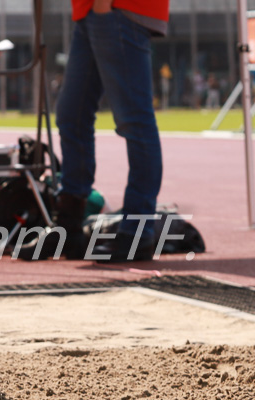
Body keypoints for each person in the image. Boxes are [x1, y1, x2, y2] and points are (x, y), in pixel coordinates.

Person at [39, 0, 170, 263]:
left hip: (117, 8)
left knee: (135, 120)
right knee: (71, 114)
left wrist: (102, 4)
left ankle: (137, 232)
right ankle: (69, 224)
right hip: (93, 10)